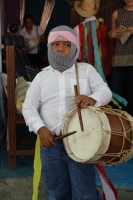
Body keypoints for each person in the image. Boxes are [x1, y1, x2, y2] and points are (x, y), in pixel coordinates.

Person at [22, 25, 112, 200]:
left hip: (80, 142)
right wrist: (40, 128)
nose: (61, 48)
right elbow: (28, 106)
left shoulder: (86, 70)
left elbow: (105, 91)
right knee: (55, 192)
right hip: (51, 144)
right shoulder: (42, 77)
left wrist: (93, 98)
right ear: (49, 47)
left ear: (74, 48)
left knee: (84, 192)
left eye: (67, 44)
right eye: (56, 44)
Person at [108, 0, 133, 116]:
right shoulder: (116, 13)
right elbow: (111, 38)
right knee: (115, 91)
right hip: (119, 57)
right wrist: (111, 33)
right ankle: (117, 121)